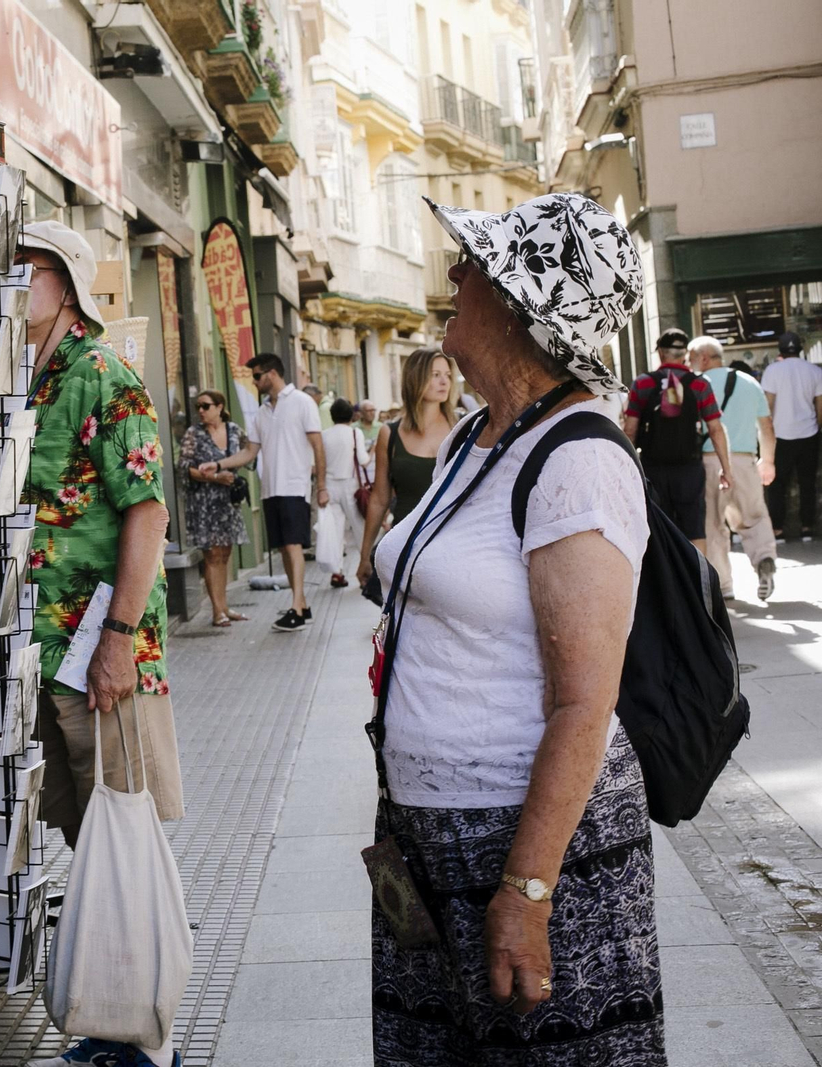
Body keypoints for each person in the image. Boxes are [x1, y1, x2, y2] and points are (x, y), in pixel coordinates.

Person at [369, 191, 662, 1065]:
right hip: (425, 839)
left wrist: (527, 892)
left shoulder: (578, 460)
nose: (455, 273)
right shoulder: (474, 436)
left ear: (521, 308)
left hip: (524, 850)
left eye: (476, 265)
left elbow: (584, 701)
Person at [16, 221, 185, 1067]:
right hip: (45, 654)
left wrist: (119, 637)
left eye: (26, 270)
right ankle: (112, 1018)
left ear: (64, 284)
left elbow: (147, 510)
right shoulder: (28, 381)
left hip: (101, 653)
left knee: (124, 826)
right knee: (90, 834)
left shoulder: (105, 376)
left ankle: (148, 1037)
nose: (12, 283)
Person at [200, 353, 325, 632]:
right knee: (284, 547)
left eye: (257, 376)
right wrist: (218, 463)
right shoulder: (262, 412)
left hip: (295, 486)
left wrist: (323, 487)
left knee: (293, 546)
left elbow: (318, 445)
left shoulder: (302, 402)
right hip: (270, 489)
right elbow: (249, 452)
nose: (254, 382)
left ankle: (295, 606)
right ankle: (301, 606)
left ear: (271, 374)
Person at [355, 348, 459, 590]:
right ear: (416, 378)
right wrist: (364, 555)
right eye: (435, 374)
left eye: (447, 374)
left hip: (453, 545)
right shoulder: (389, 433)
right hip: (406, 544)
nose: (444, 381)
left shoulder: (463, 427)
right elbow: (380, 498)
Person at [623, 328, 733, 553]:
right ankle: (697, 585)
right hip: (689, 468)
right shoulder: (700, 384)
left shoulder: (643, 383)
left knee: (657, 528)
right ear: (684, 354)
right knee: (694, 529)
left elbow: (630, 430)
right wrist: (726, 469)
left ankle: (666, 586)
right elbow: (715, 429)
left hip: (653, 468)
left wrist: (625, 469)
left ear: (661, 354)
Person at [688, 335, 778, 600]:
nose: (689, 362)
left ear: (703, 358)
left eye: (691, 357)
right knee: (754, 515)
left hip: (708, 460)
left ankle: (724, 586)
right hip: (745, 460)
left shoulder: (696, 385)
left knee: (713, 525)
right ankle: (764, 559)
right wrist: (768, 460)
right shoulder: (750, 383)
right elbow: (767, 428)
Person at [179, 390, 251, 626]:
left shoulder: (234, 430)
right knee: (211, 555)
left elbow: (250, 455)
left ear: (220, 407)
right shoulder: (194, 433)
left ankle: (224, 606)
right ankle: (216, 610)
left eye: (205, 406)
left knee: (224, 553)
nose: (200, 410)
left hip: (227, 503)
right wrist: (214, 478)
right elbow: (185, 468)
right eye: (198, 406)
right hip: (203, 503)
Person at [761, 331, 822, 541]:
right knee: (807, 482)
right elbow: (820, 405)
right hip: (809, 433)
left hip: (780, 435)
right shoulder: (814, 371)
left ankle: (777, 529)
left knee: (777, 485)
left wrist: (765, 432)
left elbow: (768, 404)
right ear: (800, 349)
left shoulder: (772, 371)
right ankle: (807, 527)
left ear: (780, 350)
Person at [321, 398, 369, 588]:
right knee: (360, 529)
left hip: (330, 486)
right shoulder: (355, 433)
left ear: (332, 416)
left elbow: (317, 465)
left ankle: (336, 573)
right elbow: (363, 461)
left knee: (335, 532)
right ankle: (366, 569)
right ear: (351, 415)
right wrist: (373, 452)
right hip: (351, 485)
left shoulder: (324, 435)